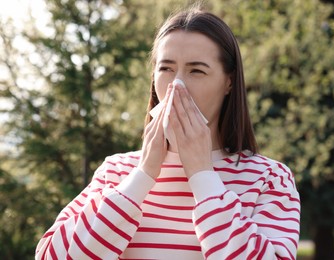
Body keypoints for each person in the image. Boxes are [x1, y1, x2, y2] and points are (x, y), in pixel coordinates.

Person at [35, 6, 300, 260]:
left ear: (229, 82)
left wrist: (202, 175)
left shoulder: (269, 178)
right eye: (166, 69)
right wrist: (142, 174)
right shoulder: (116, 171)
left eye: (196, 70)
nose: (177, 85)